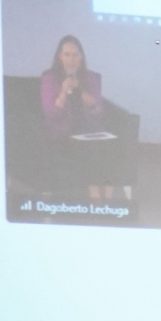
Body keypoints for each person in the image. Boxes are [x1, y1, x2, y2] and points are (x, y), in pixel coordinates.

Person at [39, 35, 111, 199]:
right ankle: (95, 197)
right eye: (67, 55)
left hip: (89, 128)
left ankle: (109, 201)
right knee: (91, 148)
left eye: (75, 55)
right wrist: (63, 92)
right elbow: (51, 114)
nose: (71, 60)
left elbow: (97, 110)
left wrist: (79, 89)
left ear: (81, 57)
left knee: (109, 145)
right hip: (61, 131)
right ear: (60, 56)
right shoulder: (49, 78)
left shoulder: (91, 78)